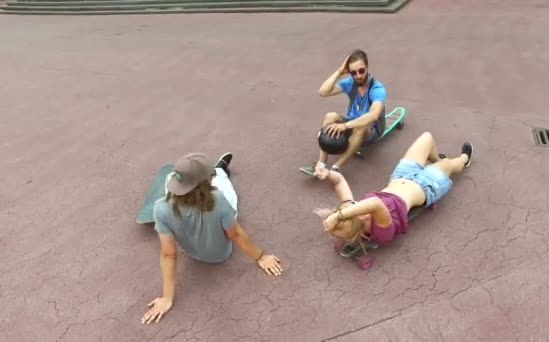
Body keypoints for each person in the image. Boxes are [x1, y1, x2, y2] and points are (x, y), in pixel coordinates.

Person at [141, 152, 283, 324]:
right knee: (225, 188)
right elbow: (235, 234)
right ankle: (220, 170)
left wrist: (166, 297)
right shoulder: (217, 198)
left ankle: (193, 179)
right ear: (206, 182)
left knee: (170, 187)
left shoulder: (160, 208)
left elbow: (168, 254)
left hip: (193, 252)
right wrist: (261, 256)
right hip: (220, 254)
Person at [312, 132, 473, 248]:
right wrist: (339, 215)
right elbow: (375, 204)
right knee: (451, 165)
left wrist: (327, 174)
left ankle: (437, 161)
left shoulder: (353, 211)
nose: (359, 209)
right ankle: (464, 159)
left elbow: (339, 181)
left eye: (353, 208)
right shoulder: (382, 231)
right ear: (361, 232)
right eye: (360, 216)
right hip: (427, 185)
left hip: (401, 176)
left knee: (427, 138)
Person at [300, 49, 387, 176]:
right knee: (330, 116)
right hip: (351, 123)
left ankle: (336, 167)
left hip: (371, 131)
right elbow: (323, 92)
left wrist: (344, 126)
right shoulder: (350, 83)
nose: (358, 75)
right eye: (353, 72)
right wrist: (340, 71)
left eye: (361, 71)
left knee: (361, 126)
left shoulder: (377, 88)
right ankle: (321, 164)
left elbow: (373, 115)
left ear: (367, 67)